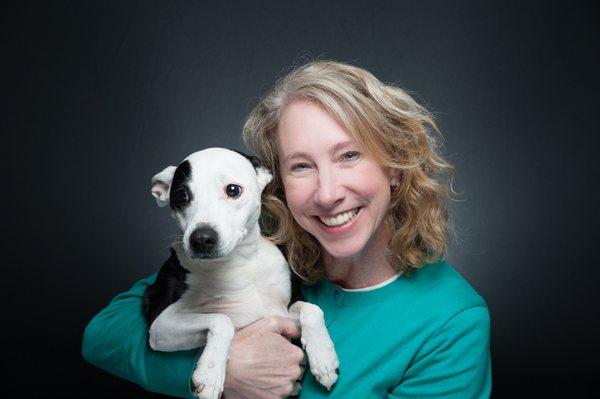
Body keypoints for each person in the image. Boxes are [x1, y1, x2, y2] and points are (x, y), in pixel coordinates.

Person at [82, 60, 491, 398]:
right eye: (301, 166)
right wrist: (226, 369)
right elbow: (105, 332)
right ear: (277, 181)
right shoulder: (258, 249)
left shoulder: (451, 322)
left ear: (395, 166)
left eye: (349, 155)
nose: (328, 193)